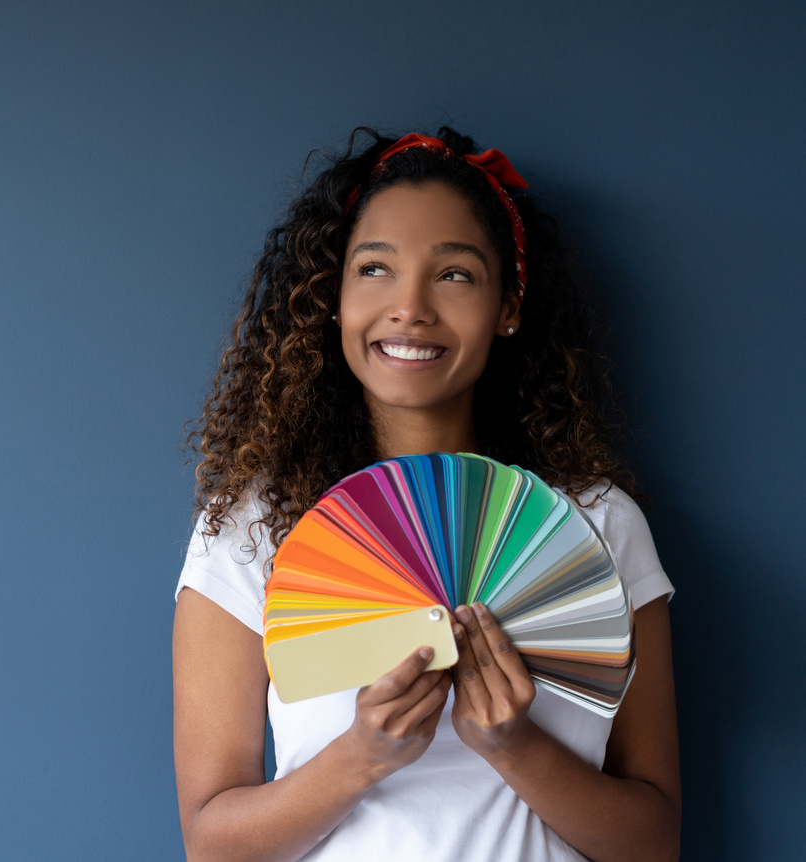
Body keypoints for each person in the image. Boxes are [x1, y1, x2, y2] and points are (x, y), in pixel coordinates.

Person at [171, 126, 681, 862]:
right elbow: (211, 845)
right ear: (333, 300)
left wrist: (514, 748)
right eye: (373, 268)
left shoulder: (599, 522)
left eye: (454, 274)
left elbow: (653, 845)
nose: (409, 306)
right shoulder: (252, 528)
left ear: (508, 306)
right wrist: (361, 756)